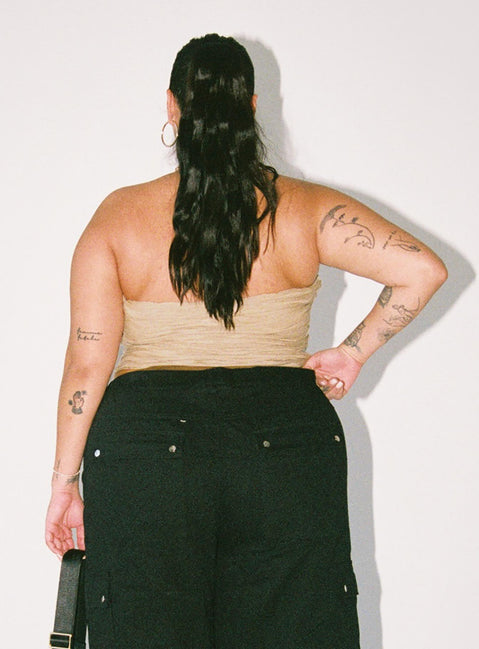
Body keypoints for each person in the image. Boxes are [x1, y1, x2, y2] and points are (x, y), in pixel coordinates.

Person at [45, 33, 447, 649]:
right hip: (283, 442)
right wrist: (353, 352)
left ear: (173, 106)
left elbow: (86, 362)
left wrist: (64, 481)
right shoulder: (306, 207)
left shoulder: (119, 216)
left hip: (147, 453)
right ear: (252, 106)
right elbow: (423, 270)